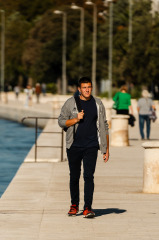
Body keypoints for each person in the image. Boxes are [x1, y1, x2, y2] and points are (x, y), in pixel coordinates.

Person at [58, 77, 109, 218]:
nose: (87, 90)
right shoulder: (70, 103)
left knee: (88, 176)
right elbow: (61, 121)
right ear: (79, 89)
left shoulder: (98, 103)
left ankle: (88, 207)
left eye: (89, 87)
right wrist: (75, 119)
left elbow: (104, 125)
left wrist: (106, 149)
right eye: (84, 87)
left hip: (91, 146)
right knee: (74, 177)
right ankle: (74, 205)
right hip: (73, 145)